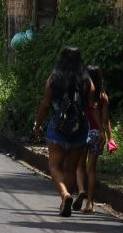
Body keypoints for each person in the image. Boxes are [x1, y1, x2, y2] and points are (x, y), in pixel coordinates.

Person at [33, 47, 95, 217]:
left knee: (54, 166)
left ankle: (64, 195)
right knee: (71, 168)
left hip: (57, 129)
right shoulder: (87, 81)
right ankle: (64, 201)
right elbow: (90, 105)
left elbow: (46, 105)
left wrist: (38, 124)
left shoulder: (53, 79)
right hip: (79, 130)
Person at [74, 65, 112, 213]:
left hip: (83, 132)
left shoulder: (82, 95)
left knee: (79, 166)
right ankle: (90, 203)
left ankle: (81, 190)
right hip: (98, 135)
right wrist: (110, 138)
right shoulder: (103, 96)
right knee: (92, 169)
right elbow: (106, 119)